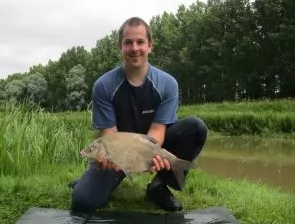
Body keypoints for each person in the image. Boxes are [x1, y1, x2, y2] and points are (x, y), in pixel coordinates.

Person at [69, 16, 208, 212]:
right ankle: (87, 182)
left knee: (196, 127)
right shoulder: (103, 85)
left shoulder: (168, 84)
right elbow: (110, 135)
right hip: (118, 154)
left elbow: (158, 130)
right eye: (128, 42)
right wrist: (112, 159)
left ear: (150, 46)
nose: (135, 48)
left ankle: (159, 187)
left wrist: (149, 158)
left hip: (149, 146)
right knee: (82, 202)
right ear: (120, 47)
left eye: (140, 42)